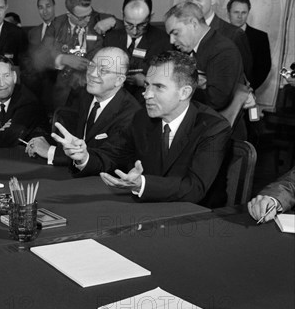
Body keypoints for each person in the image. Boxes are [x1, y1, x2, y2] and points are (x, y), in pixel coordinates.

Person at [53, 51, 231, 206]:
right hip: (147, 208)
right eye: (146, 85)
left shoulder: (214, 128)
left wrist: (143, 184)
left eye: (159, 87)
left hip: (196, 217)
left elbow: (194, 188)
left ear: (184, 92)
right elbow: (115, 156)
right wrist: (84, 157)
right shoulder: (142, 117)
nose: (147, 94)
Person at [26, 47, 140, 166]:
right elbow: (68, 134)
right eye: (92, 65)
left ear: (119, 80)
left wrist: (50, 152)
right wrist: (40, 139)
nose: (92, 73)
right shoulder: (82, 94)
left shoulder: (131, 114)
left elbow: (107, 160)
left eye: (103, 71)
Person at [40, 0, 117, 113]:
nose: (87, 20)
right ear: (69, 14)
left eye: (89, 15)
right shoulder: (57, 24)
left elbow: (127, 25)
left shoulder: (98, 18)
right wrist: (63, 59)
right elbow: (42, 54)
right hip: (64, 88)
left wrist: (113, 21)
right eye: (81, 18)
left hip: (93, 85)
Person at [164, 1, 244, 112]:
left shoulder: (223, 50)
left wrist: (185, 86)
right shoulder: (188, 49)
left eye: (176, 33)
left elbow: (216, 100)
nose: (172, 41)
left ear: (194, 24)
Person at [103, 0, 172, 104]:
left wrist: (145, 81)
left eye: (141, 25)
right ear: (122, 15)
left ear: (151, 16)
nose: (134, 31)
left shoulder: (163, 41)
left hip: (145, 101)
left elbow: (167, 80)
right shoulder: (111, 38)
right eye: (128, 24)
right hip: (113, 100)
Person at [186, 0, 253, 83]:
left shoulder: (233, 34)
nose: (193, 3)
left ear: (213, 0)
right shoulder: (180, 31)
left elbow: (244, 75)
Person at [227, 0, 271, 92]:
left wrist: (250, 88)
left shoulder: (260, 37)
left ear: (248, 13)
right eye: (236, 12)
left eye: (244, 12)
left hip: (246, 93)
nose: (240, 16)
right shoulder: (217, 35)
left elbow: (264, 67)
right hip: (219, 91)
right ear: (228, 13)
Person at [24, 0, 57, 118]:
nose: (45, 10)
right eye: (41, 7)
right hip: (36, 83)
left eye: (48, 6)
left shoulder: (63, 28)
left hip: (56, 82)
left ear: (54, 7)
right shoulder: (33, 32)